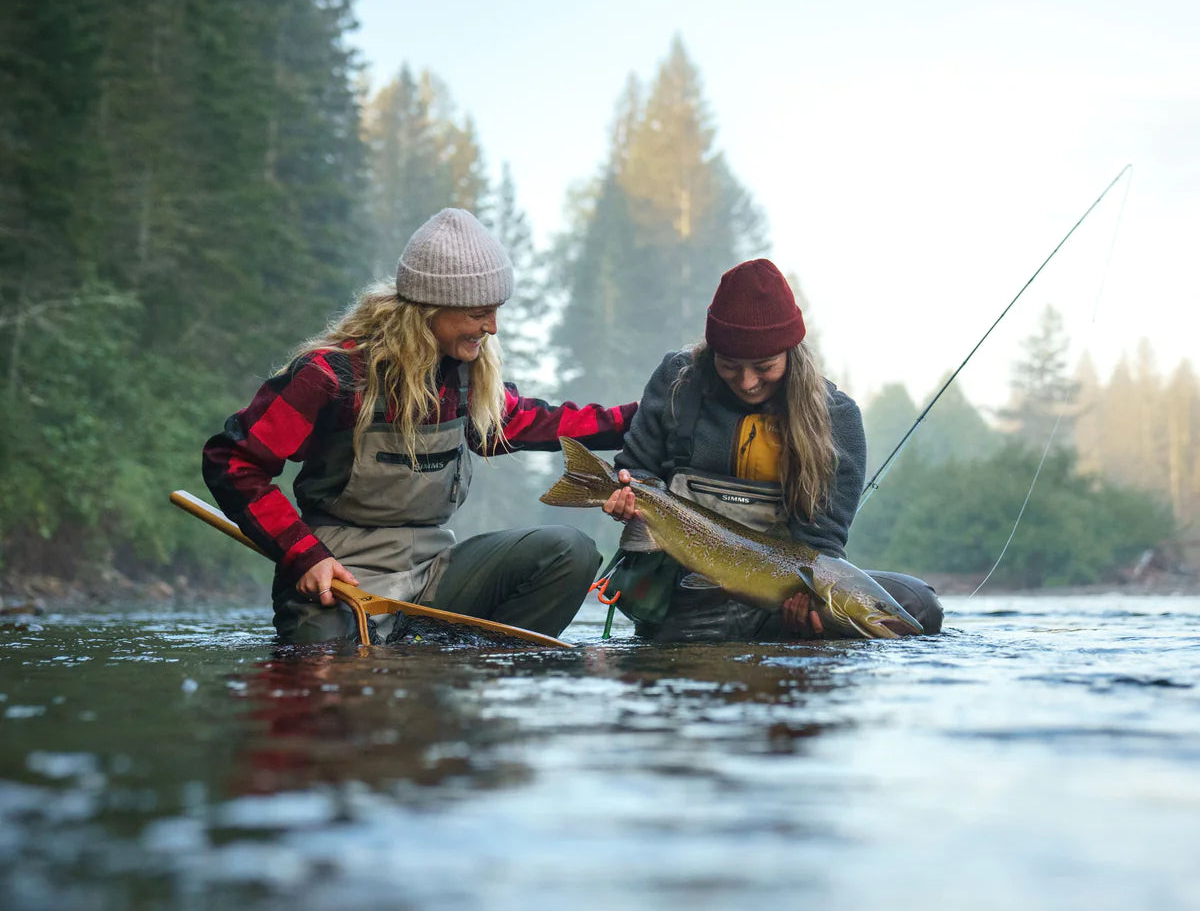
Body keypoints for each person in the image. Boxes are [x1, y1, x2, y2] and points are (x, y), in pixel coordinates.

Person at [203, 208, 637, 643]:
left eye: (495, 311)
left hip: (436, 572)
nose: (492, 327)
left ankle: (481, 668)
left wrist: (639, 419)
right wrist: (303, 554)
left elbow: (536, 421)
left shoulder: (465, 379)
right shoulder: (330, 376)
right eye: (478, 314)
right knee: (328, 677)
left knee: (571, 551)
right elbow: (234, 463)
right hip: (340, 578)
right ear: (429, 310)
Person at [601, 258, 942, 641]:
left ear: (791, 354)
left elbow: (821, 546)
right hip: (678, 596)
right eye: (730, 366)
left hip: (775, 602)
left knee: (919, 608)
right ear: (712, 353)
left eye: (764, 366)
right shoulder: (678, 381)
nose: (746, 382)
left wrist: (810, 612)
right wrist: (626, 495)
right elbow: (635, 471)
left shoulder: (837, 418)